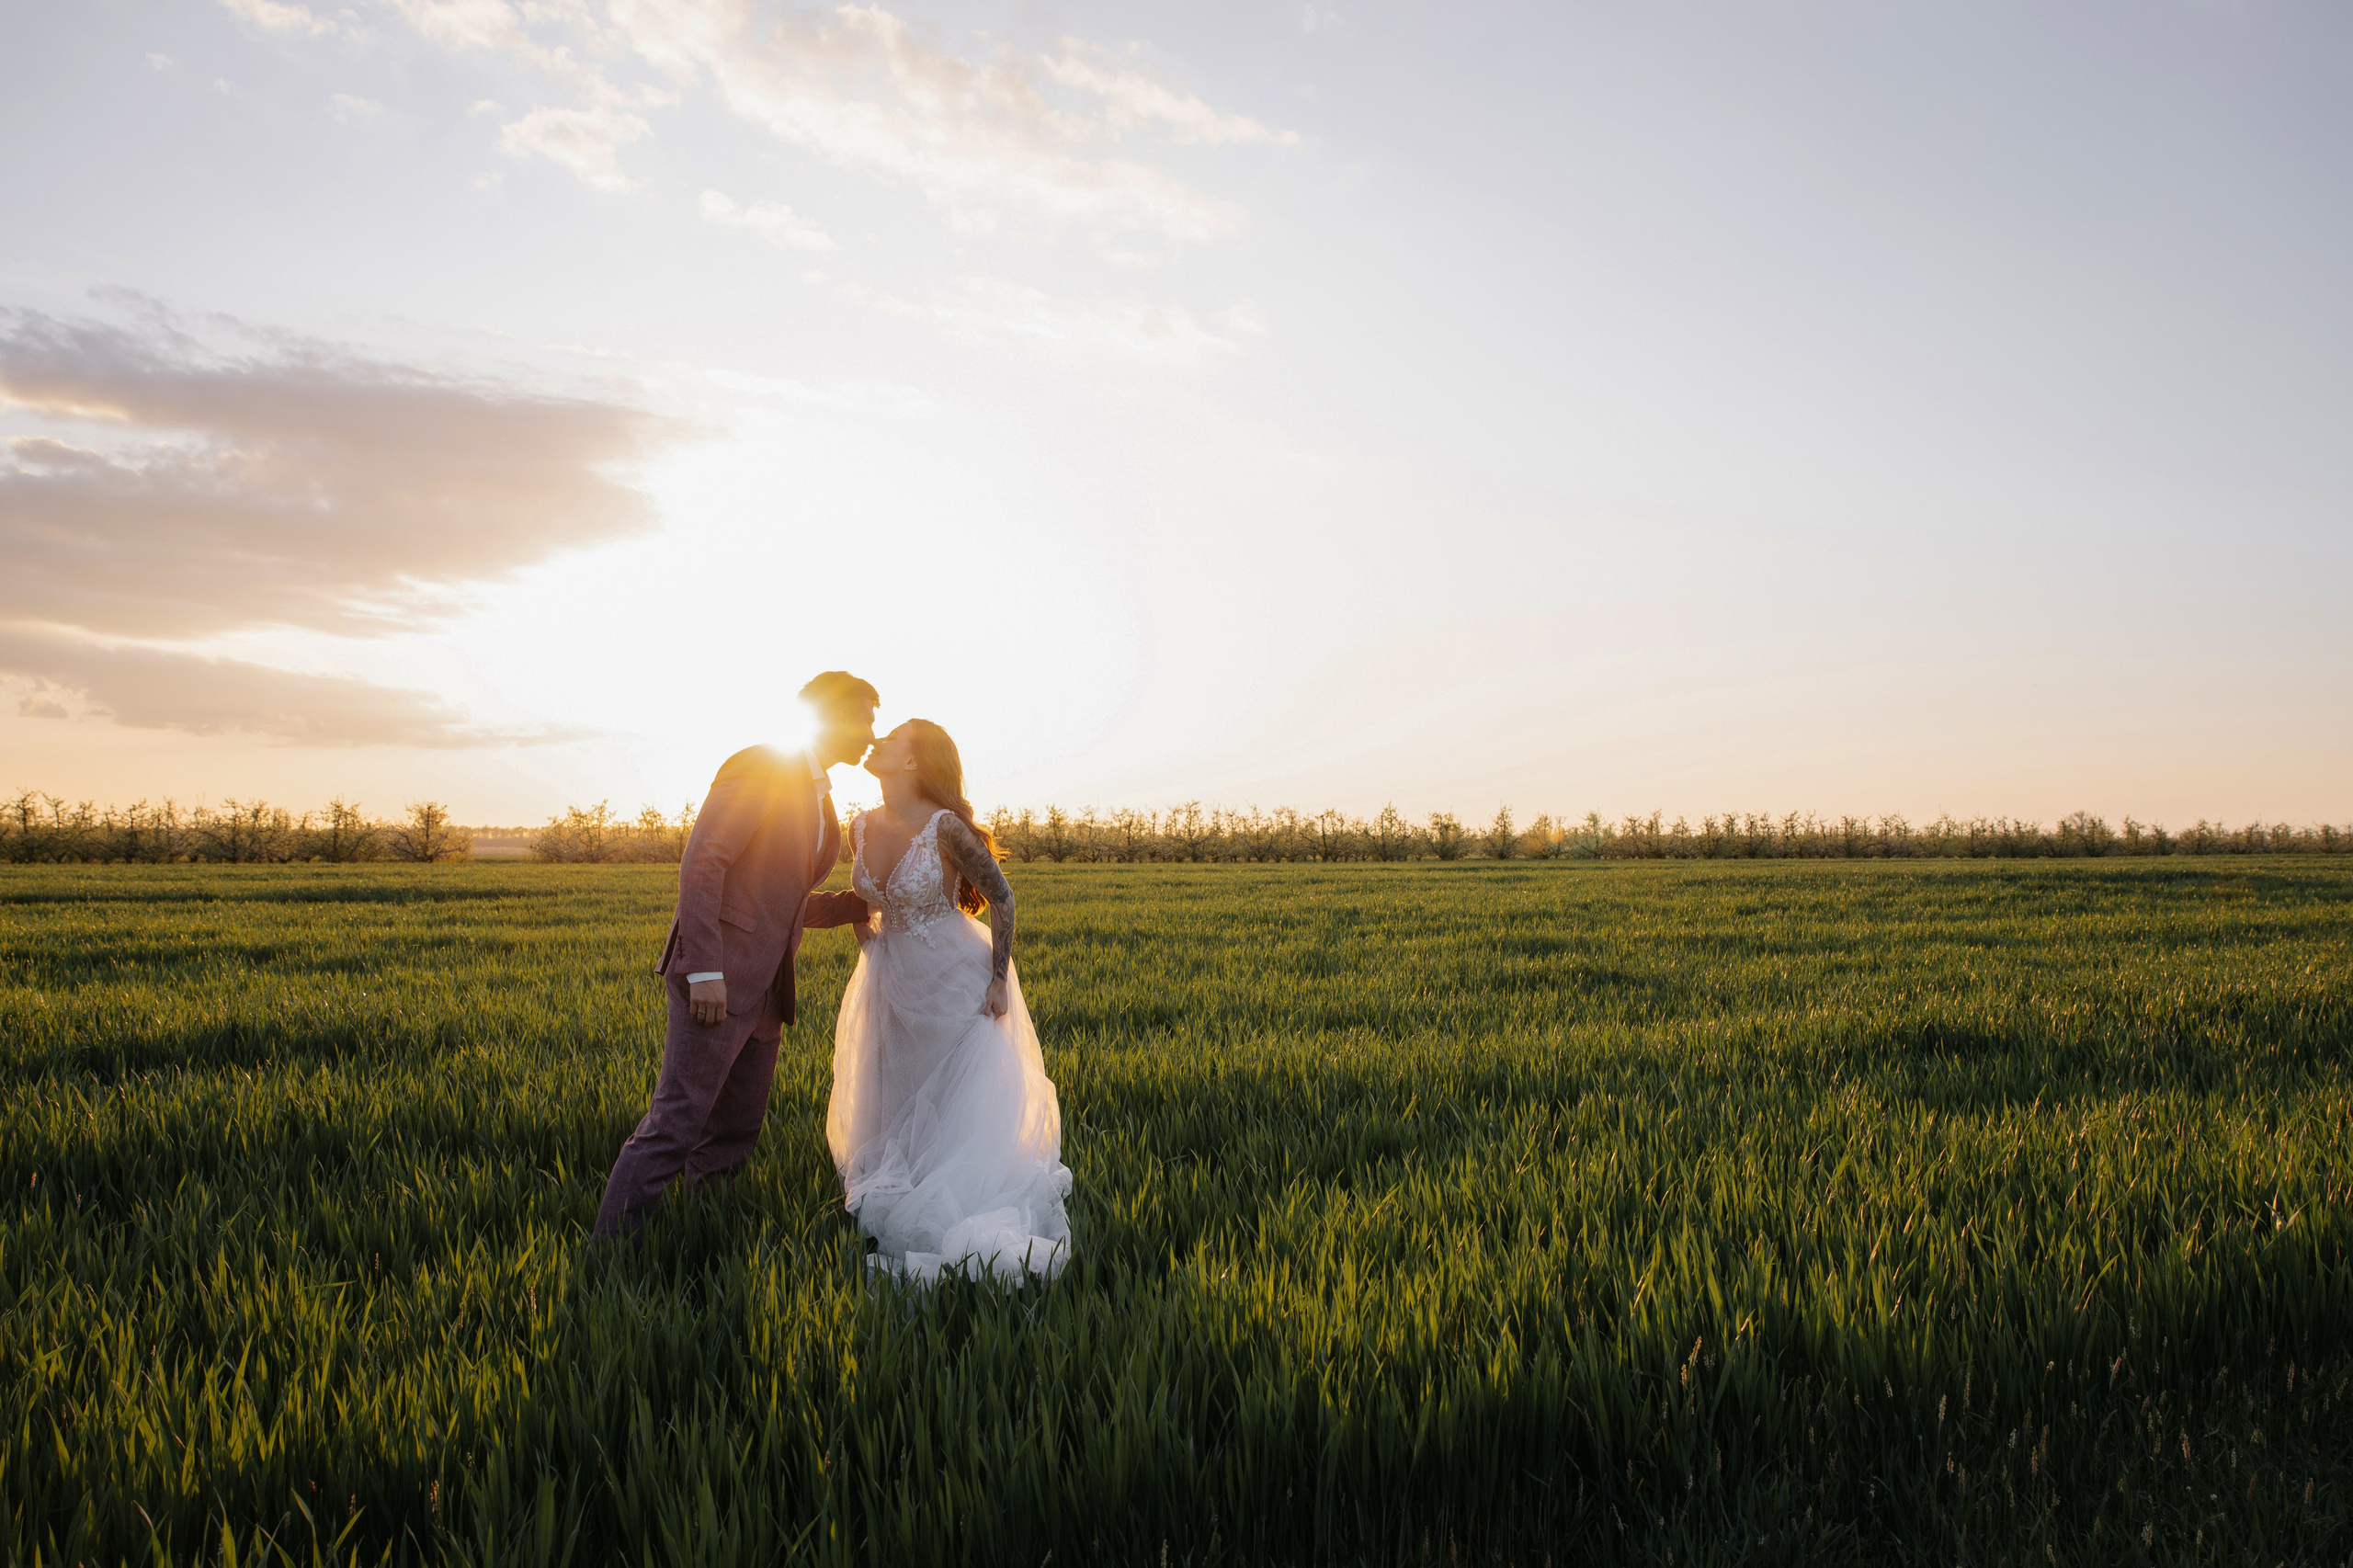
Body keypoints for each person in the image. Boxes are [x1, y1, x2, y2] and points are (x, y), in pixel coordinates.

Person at [592, 671, 879, 1240]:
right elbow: (704, 864)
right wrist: (703, 971)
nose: (872, 733)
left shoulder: (819, 791)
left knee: (735, 1132)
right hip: (717, 983)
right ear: (833, 716)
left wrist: (865, 902)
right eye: (866, 718)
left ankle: (700, 1240)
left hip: (768, 988)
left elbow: (781, 901)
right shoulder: (762, 767)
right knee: (676, 1123)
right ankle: (603, 1263)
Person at [828, 719, 1073, 1283]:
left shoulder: (945, 828)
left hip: (953, 977)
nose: (875, 743)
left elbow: (1002, 898)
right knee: (895, 1089)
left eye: (889, 740)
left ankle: (954, 1205)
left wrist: (997, 979)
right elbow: (867, 903)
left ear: (913, 762)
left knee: (952, 1093)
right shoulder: (859, 824)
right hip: (888, 979)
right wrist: (871, 947)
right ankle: (903, 1194)